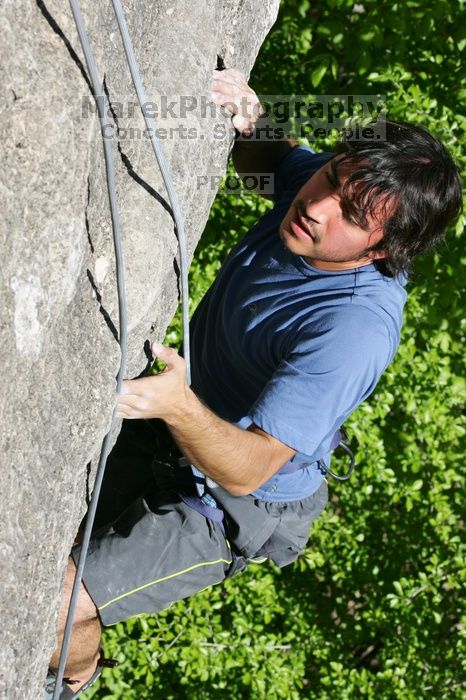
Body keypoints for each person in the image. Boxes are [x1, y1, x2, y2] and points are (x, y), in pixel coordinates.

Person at [46, 68, 462, 698]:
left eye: (348, 212)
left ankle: (75, 676)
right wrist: (248, 116)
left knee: (61, 602)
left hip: (236, 500)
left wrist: (177, 407)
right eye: (331, 178)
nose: (316, 207)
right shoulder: (320, 200)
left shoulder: (352, 329)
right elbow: (274, 159)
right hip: (181, 415)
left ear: (382, 249)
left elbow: (250, 470)